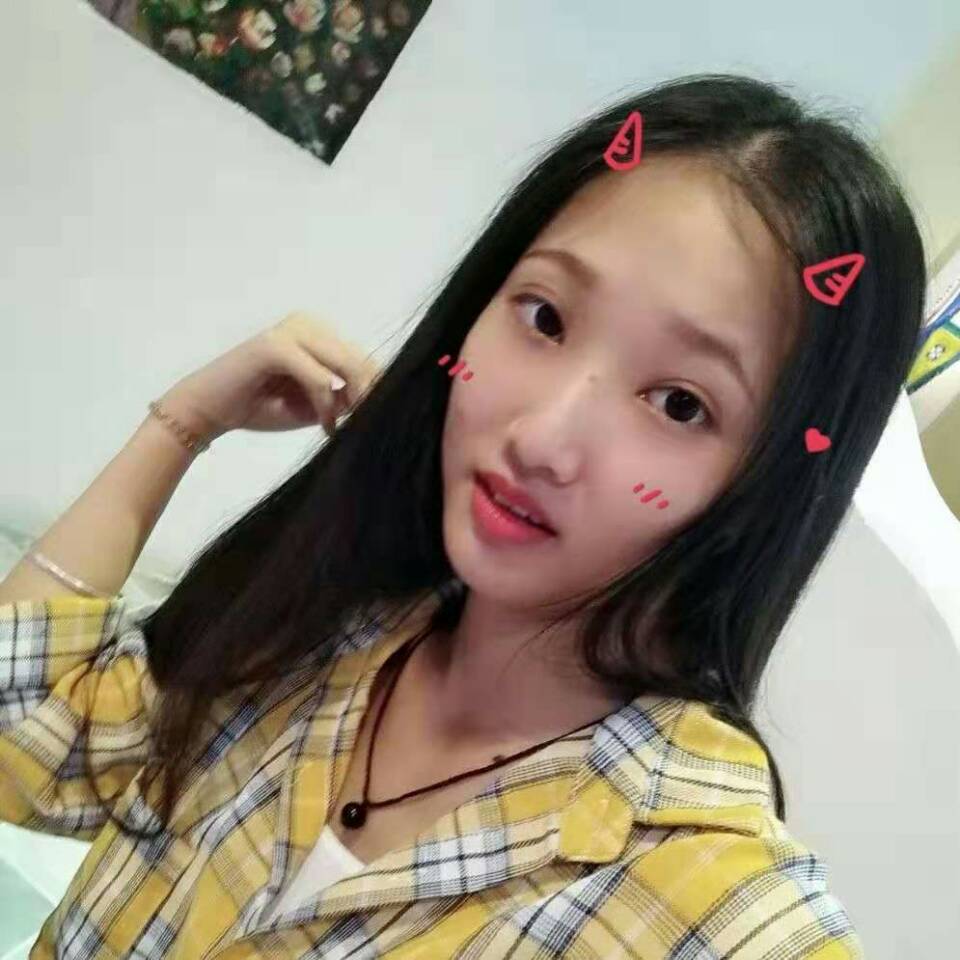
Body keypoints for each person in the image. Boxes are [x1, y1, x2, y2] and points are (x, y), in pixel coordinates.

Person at [0, 73, 924, 957]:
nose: (542, 437)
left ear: (764, 488)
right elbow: (26, 748)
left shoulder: (708, 896)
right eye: (545, 317)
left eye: (680, 403)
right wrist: (180, 425)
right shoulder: (321, 628)